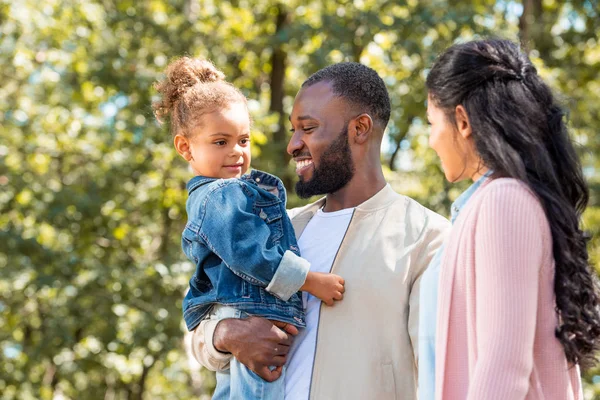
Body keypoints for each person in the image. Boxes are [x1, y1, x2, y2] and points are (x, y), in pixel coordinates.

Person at [190, 62, 450, 400]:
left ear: (360, 129)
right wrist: (226, 335)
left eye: (308, 128)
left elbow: (439, 375)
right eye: (293, 131)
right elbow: (201, 322)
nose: (292, 145)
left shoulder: (427, 238)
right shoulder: (273, 228)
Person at [152, 57, 346, 400]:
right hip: (248, 312)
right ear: (185, 147)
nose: (236, 153)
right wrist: (310, 281)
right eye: (220, 142)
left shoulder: (220, 196)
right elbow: (250, 254)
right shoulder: (221, 195)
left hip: (239, 312)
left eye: (243, 140)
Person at [425, 39, 600, 399]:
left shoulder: (504, 202)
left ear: (461, 121)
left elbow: (503, 369)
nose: (429, 140)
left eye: (431, 123)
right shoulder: (492, 203)